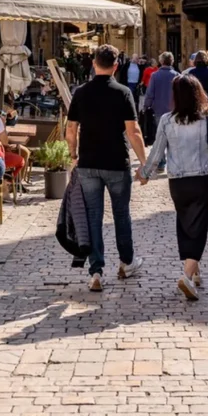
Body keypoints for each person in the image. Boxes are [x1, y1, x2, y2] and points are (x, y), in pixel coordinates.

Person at [65, 44, 147, 291]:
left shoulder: (80, 92)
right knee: (121, 214)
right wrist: (144, 163)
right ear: (115, 66)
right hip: (116, 162)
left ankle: (96, 271)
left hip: (89, 162)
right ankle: (126, 263)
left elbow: (71, 129)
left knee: (93, 216)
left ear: (93, 63)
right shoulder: (122, 92)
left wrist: (73, 154)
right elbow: (133, 131)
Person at [137, 74, 208, 300]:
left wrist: (145, 173)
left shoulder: (167, 120)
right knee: (199, 227)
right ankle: (186, 276)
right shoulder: (207, 117)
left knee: (185, 223)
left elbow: (157, 152)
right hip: (201, 178)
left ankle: (194, 271)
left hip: (177, 181)